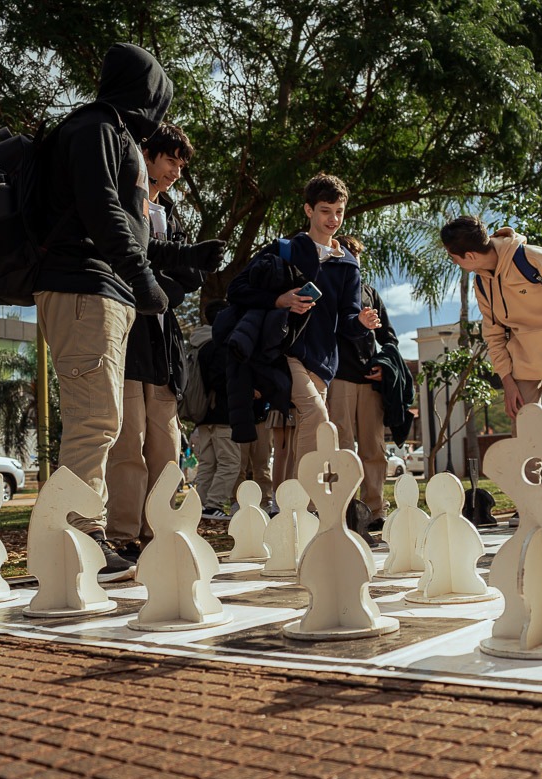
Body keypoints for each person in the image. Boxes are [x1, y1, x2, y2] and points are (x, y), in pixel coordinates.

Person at [33, 43, 221, 582]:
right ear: (145, 89)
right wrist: (141, 279)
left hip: (101, 290)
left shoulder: (113, 134)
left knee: (103, 421)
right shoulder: (94, 129)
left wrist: (180, 257)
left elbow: (129, 231)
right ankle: (78, 540)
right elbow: (102, 212)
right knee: (95, 421)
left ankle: (77, 537)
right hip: (84, 288)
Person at [104, 121, 221, 560]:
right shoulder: (123, 202)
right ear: (146, 155)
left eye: (180, 163)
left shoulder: (171, 214)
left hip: (164, 336)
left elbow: (189, 275)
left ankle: (161, 532)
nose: (175, 170)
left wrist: (166, 285)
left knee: (166, 442)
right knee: (127, 439)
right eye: (170, 159)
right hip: (128, 332)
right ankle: (121, 534)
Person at [440, 215, 542, 506]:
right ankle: (533, 499)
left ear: (471, 255)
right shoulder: (482, 281)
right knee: (525, 428)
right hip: (523, 361)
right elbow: (493, 333)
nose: (454, 263)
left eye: (454, 258)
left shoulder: (530, 257)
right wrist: (507, 379)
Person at [225, 173, 380, 469]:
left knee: (311, 429)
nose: (333, 219)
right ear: (309, 210)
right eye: (325, 210)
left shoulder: (348, 264)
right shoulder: (284, 250)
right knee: (316, 415)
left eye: (339, 212)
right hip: (283, 351)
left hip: (322, 360)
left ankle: (292, 505)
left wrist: (361, 321)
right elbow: (237, 289)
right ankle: (306, 503)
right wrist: (280, 300)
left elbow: (346, 321)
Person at [327, 235, 399, 525]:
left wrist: (385, 365)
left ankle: (375, 511)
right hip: (338, 377)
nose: (353, 260)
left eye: (356, 256)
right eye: (347, 255)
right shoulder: (327, 291)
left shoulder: (370, 292)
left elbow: (389, 338)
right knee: (342, 448)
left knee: (374, 448)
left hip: (370, 380)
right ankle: (347, 510)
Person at [192, 301, 241, 519]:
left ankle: (197, 505)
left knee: (207, 464)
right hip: (223, 413)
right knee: (230, 462)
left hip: (202, 414)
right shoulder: (221, 345)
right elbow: (220, 380)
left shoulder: (198, 343)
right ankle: (213, 505)